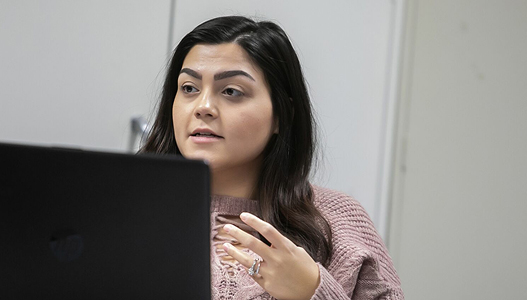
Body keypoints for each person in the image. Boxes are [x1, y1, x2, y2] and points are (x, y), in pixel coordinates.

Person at [141, 16, 403, 300]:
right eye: (189, 88)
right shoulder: (127, 211)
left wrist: (311, 291)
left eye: (231, 91)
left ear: (282, 115)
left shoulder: (339, 224)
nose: (203, 107)